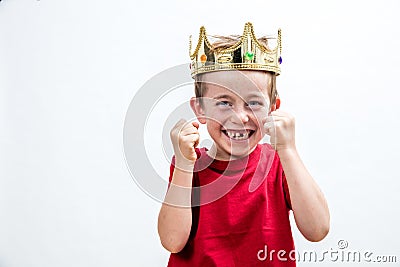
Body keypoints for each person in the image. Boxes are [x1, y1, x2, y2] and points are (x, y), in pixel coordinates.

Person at [158, 22, 330, 266]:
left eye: (254, 103)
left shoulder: (279, 162)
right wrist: (185, 165)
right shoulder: (189, 164)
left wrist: (289, 150)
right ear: (200, 109)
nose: (240, 117)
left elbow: (318, 229)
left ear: (273, 108)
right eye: (224, 103)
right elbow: (172, 241)